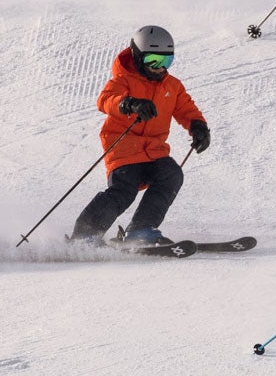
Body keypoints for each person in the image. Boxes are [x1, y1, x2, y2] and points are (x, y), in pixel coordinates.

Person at [69, 25, 209, 246]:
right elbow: (105, 100)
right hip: (123, 148)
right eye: (153, 60)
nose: (159, 68)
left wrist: (198, 126)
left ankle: (142, 229)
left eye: (166, 61)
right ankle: (84, 235)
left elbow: (186, 109)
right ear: (137, 57)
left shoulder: (172, 86)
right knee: (124, 190)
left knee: (171, 175)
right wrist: (129, 104)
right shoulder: (123, 81)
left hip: (154, 151)